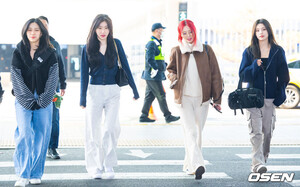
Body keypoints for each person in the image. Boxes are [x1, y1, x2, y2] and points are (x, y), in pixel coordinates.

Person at [80, 14, 139, 179]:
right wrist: (82, 98)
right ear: (94, 29)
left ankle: (108, 164)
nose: (103, 31)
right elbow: (84, 74)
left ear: (110, 29)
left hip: (113, 91)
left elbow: (126, 67)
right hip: (94, 91)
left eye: (106, 27)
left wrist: (135, 90)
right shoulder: (87, 47)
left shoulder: (116, 43)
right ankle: (94, 167)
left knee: (110, 129)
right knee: (93, 131)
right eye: (100, 28)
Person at [167, 19, 223, 180]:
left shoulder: (206, 50)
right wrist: (174, 78)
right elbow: (170, 69)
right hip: (184, 99)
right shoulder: (177, 50)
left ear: (194, 31)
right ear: (180, 34)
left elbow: (215, 74)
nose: (188, 35)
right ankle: (199, 164)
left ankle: (190, 165)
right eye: (184, 33)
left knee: (197, 133)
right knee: (190, 131)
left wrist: (217, 98)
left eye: (190, 31)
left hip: (202, 99)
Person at [11, 18, 58, 186]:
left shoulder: (50, 52)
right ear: (25, 31)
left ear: (41, 32)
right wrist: (27, 100)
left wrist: (44, 99)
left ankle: (36, 173)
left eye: (36, 30)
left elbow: (54, 77)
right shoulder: (18, 50)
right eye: (30, 29)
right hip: (23, 99)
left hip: (44, 100)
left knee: (41, 136)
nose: (33, 33)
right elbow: (15, 77)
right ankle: (23, 174)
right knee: (24, 134)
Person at [239, 19, 290, 173]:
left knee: (267, 133)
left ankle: (262, 159)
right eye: (257, 30)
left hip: (270, 99)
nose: (260, 33)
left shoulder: (278, 51)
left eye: (263, 29)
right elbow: (243, 75)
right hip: (253, 99)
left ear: (269, 31)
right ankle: (257, 164)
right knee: (256, 133)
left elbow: (284, 77)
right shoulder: (249, 52)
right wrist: (255, 65)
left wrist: (278, 96)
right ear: (254, 33)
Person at [38, 16, 67, 160]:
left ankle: (52, 147)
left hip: (54, 89)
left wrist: (63, 84)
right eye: (40, 25)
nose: (43, 27)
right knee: (38, 119)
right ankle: (39, 147)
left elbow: (61, 63)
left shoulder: (55, 44)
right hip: (36, 90)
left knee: (54, 119)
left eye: (45, 25)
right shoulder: (33, 44)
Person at [140, 23, 180, 123]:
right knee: (161, 95)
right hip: (153, 76)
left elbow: (158, 58)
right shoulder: (152, 43)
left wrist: (163, 65)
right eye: (161, 30)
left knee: (149, 96)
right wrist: (156, 68)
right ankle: (168, 116)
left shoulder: (157, 43)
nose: (162, 32)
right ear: (157, 30)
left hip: (153, 75)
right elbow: (150, 59)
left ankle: (143, 116)